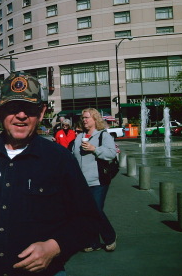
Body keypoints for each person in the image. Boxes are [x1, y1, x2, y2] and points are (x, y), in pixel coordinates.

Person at [0, 72, 100, 276]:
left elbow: (88, 220)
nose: (21, 115)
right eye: (12, 108)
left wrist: (54, 247)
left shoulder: (59, 159)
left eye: (29, 109)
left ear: (42, 112)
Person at [71, 108, 118, 253]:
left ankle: (110, 237)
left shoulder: (103, 135)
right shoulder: (79, 137)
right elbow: (73, 155)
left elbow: (111, 153)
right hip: (82, 182)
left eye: (87, 117)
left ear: (95, 119)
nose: (84, 120)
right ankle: (93, 242)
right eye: (83, 118)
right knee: (86, 212)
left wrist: (94, 149)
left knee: (96, 210)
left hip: (99, 180)